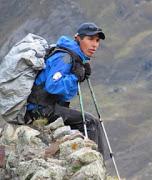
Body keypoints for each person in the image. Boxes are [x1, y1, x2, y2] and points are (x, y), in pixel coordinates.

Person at [24, 22, 109, 159]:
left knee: (91, 122)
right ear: (78, 38)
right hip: (40, 110)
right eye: (90, 39)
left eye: (97, 40)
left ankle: (95, 163)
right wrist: (75, 76)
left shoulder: (73, 57)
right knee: (90, 122)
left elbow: (65, 94)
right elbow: (53, 86)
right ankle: (94, 163)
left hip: (46, 107)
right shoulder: (64, 57)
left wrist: (77, 77)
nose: (95, 45)